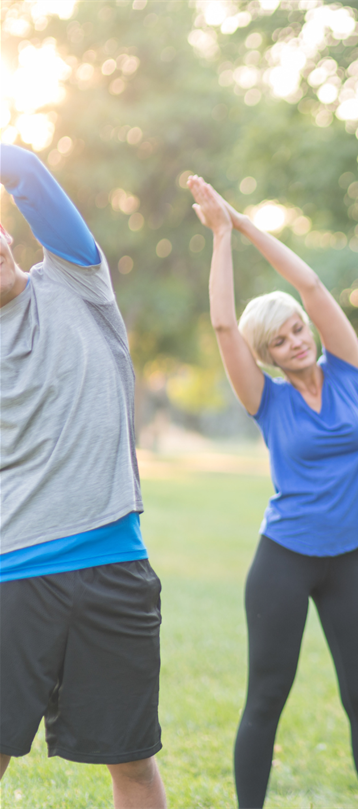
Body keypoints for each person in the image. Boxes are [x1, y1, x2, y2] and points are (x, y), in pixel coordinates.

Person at [188, 177, 358, 809]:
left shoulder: (350, 369)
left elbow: (312, 284)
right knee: (266, 700)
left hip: (351, 562)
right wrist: (221, 237)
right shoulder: (266, 400)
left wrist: (245, 223)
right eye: (281, 339)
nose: (298, 340)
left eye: (299, 329)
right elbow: (224, 325)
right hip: (284, 561)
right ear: (268, 355)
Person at [0, 144, 167, 808]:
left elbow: (26, 170)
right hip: (13, 572)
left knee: (132, 762)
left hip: (115, 563)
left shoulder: (75, 279)